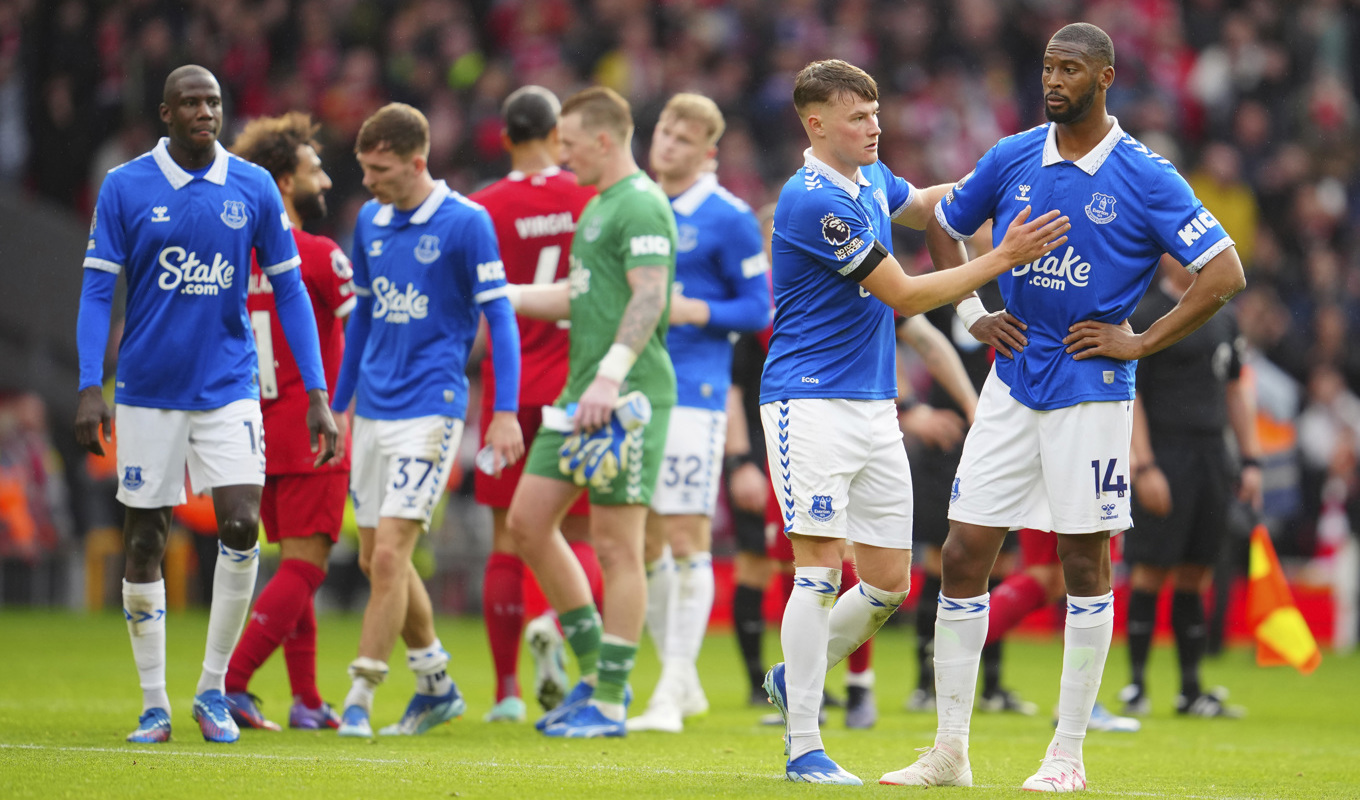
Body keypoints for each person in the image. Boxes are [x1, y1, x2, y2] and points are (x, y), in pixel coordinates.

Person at [884, 23, 1246, 792]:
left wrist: (1141, 341)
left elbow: (1224, 274)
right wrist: (970, 314)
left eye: (1071, 68)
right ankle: (949, 751)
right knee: (961, 551)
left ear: (1106, 77)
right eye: (1048, 66)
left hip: (1092, 390)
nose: (1054, 79)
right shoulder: (1012, 154)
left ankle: (1067, 754)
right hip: (1012, 380)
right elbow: (945, 230)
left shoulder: (1146, 175)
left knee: (1083, 560)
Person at [760, 59, 1069, 785]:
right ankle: (804, 743)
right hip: (807, 402)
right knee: (816, 572)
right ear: (816, 124)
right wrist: (1000, 257)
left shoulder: (869, 180)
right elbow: (899, 292)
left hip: (872, 405)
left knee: (890, 585)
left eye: (875, 113)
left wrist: (990, 188)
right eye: (859, 117)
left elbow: (925, 205)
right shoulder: (811, 202)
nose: (875, 126)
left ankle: (792, 674)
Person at [75, 65, 339, 744]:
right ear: (165, 113)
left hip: (228, 387)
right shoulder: (126, 186)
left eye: (214, 101)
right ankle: (155, 703)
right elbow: (100, 291)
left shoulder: (250, 187)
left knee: (243, 525)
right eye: (190, 102)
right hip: (147, 390)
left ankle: (215, 689)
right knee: (145, 538)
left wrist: (317, 392)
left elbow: (289, 293)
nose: (205, 112)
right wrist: (86, 384)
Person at [330, 102, 524, 738]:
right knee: (373, 560)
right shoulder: (369, 222)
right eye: (364, 168)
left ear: (417, 162)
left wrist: (501, 412)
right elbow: (361, 316)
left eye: (380, 168)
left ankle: (359, 696)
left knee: (389, 557)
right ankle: (436, 682)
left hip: (432, 410)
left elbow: (500, 318)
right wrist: (337, 405)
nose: (369, 180)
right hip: (374, 413)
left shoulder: (467, 223)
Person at [501, 86, 679, 738]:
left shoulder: (641, 205)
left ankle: (608, 701)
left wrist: (607, 379)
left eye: (570, 144)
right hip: (582, 396)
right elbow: (581, 297)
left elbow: (649, 298)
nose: (562, 155)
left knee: (616, 546)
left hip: (626, 397)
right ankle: (591, 673)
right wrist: (504, 295)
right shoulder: (600, 205)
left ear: (603, 140)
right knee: (527, 522)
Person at [628, 92, 772, 734]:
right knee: (648, 538)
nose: (669, 145)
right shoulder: (635, 202)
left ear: (708, 151)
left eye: (684, 140)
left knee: (685, 536)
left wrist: (699, 312)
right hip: (635, 387)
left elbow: (759, 309)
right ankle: (680, 681)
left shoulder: (729, 217)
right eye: (664, 132)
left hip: (696, 390)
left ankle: (669, 688)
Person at [468, 85, 602, 723]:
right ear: (557, 133)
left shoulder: (482, 208)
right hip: (579, 388)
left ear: (503, 136)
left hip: (507, 392)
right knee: (579, 533)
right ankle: (554, 620)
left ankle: (505, 693)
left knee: (507, 539)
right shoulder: (589, 197)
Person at [220, 111, 355, 732]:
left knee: (291, 565)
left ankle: (305, 698)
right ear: (280, 184)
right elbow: (362, 339)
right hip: (312, 428)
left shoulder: (230, 260)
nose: (325, 180)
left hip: (252, 430)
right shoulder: (320, 255)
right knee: (306, 567)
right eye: (313, 170)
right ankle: (230, 684)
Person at [1118, 255, 1263, 719]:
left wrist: (1252, 459)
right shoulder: (1144, 311)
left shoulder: (1222, 310)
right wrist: (1143, 465)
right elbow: (1131, 391)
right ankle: (1137, 687)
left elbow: (1236, 388)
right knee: (1151, 569)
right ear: (1164, 254)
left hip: (1211, 457)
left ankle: (1191, 690)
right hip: (1165, 452)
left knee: (1196, 572)